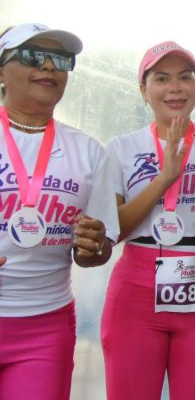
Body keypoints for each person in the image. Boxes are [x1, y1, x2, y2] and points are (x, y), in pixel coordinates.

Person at [101, 42, 195, 399]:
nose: (175, 87)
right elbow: (111, 231)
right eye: (161, 78)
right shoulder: (122, 148)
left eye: (185, 77)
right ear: (143, 90)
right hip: (136, 289)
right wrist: (165, 177)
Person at [0, 23, 119, 400]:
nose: (50, 67)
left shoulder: (88, 151)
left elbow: (96, 254)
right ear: (2, 69)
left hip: (44, 328)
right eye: (35, 56)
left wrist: (93, 246)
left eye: (61, 60)